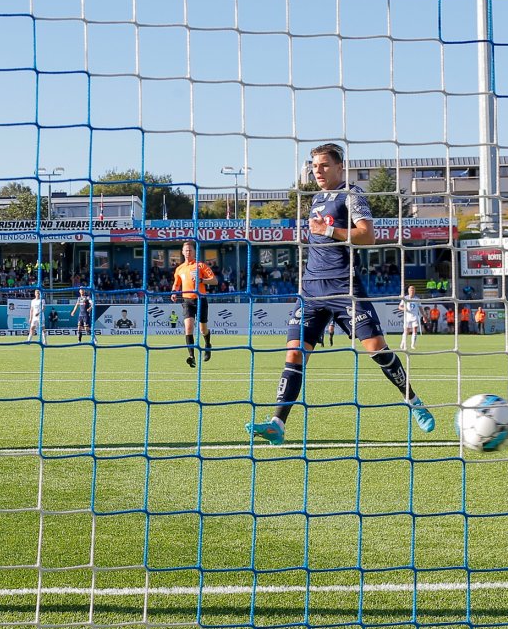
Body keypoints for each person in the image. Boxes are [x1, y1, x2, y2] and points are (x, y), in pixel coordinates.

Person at [246, 143, 434, 445]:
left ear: (339, 167)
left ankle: (413, 401)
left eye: (323, 165)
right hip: (310, 289)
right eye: (314, 166)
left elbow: (368, 236)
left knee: (376, 348)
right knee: (295, 353)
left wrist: (329, 231)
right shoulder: (317, 198)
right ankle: (277, 423)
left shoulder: (352, 194)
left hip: (344, 287)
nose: (317, 171)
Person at [170, 240, 217, 368]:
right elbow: (176, 283)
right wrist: (174, 292)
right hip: (186, 300)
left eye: (190, 250)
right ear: (182, 252)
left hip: (201, 299)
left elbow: (215, 281)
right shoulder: (180, 269)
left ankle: (207, 345)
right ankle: (192, 357)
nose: (188, 252)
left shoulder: (200, 266)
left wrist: (202, 280)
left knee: (202, 329)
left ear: (194, 252)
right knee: (188, 327)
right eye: (186, 250)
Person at [398, 285, 421, 351]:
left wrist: (424, 315)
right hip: (407, 317)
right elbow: (399, 307)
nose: (412, 291)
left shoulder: (417, 299)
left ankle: (413, 345)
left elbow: (420, 308)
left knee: (415, 330)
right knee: (406, 331)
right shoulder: (405, 298)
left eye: (413, 290)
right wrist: (404, 308)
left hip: (415, 317)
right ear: (408, 291)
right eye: (411, 290)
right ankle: (402, 344)